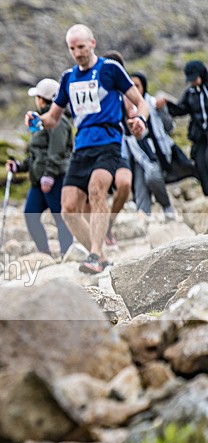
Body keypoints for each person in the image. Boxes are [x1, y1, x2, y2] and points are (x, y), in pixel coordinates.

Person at [31, 24, 148, 275]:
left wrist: (141, 120)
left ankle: (94, 254)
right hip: (82, 145)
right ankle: (102, 258)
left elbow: (139, 101)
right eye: (72, 48)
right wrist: (36, 119)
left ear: (92, 43)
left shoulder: (110, 69)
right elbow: (52, 118)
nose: (78, 53)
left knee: (97, 191)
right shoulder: (68, 78)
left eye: (81, 47)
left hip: (108, 141)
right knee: (68, 208)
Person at [6, 78, 74, 257]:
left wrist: (49, 175)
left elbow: (57, 150)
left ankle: (68, 254)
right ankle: (45, 253)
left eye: (38, 96)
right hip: (39, 180)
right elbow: (37, 154)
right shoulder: (39, 121)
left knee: (61, 218)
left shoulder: (58, 120)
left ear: (43, 99)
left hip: (55, 178)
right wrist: (19, 167)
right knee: (30, 215)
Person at [125, 72, 177, 218]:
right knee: (141, 191)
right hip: (135, 155)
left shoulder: (153, 104)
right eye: (131, 86)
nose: (134, 89)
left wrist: (163, 110)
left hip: (154, 152)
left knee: (152, 177)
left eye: (137, 86)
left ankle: (167, 208)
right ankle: (145, 222)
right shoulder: (123, 106)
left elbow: (169, 127)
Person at [156, 60, 208, 195]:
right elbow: (181, 109)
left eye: (194, 78)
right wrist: (166, 105)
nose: (193, 82)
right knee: (201, 166)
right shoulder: (190, 93)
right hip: (200, 136)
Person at [100, 50, 134, 247]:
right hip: (97, 149)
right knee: (99, 190)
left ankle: (109, 223)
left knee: (125, 185)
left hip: (118, 148)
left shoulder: (124, 95)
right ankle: (99, 231)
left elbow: (131, 119)